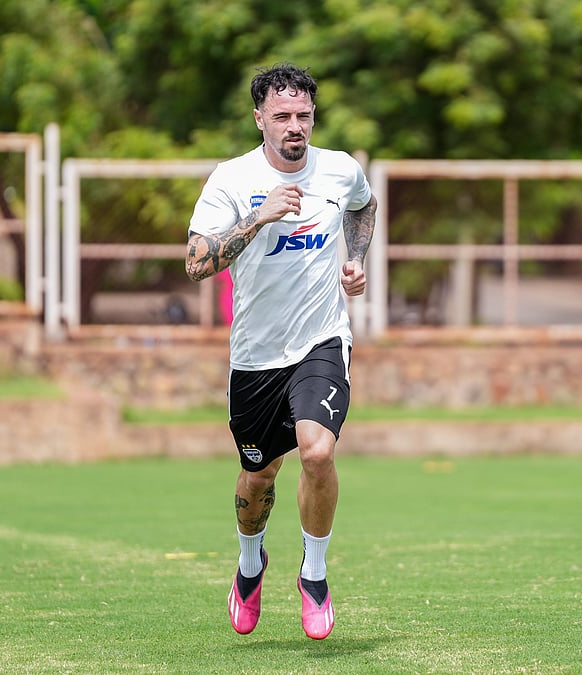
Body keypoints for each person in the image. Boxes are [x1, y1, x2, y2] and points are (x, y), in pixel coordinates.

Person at [184, 62, 377, 640]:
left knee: (317, 454)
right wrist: (259, 215)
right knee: (258, 476)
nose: (295, 126)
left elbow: (364, 207)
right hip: (255, 356)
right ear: (259, 119)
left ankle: (314, 576)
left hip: (321, 339)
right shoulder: (230, 180)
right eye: (283, 116)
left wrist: (357, 259)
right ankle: (250, 564)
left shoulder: (340, 170)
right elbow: (196, 262)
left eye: (304, 116)